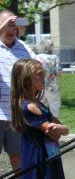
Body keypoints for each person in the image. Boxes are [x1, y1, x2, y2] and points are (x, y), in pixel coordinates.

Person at [10, 59, 67, 179]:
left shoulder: (39, 104)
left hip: (50, 154)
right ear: (26, 79)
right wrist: (61, 129)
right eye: (40, 74)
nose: (44, 77)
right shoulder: (30, 107)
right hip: (39, 159)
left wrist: (62, 129)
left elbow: (61, 128)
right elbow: (54, 133)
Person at [0, 10, 34, 170]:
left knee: (19, 158)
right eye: (8, 25)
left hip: (17, 115)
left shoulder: (23, 48)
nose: (11, 29)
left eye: (14, 26)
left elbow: (36, 70)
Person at [32, 40, 61, 118]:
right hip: (52, 87)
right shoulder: (54, 57)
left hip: (39, 87)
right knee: (54, 110)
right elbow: (58, 74)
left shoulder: (36, 57)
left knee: (41, 108)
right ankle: (54, 127)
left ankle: (43, 126)